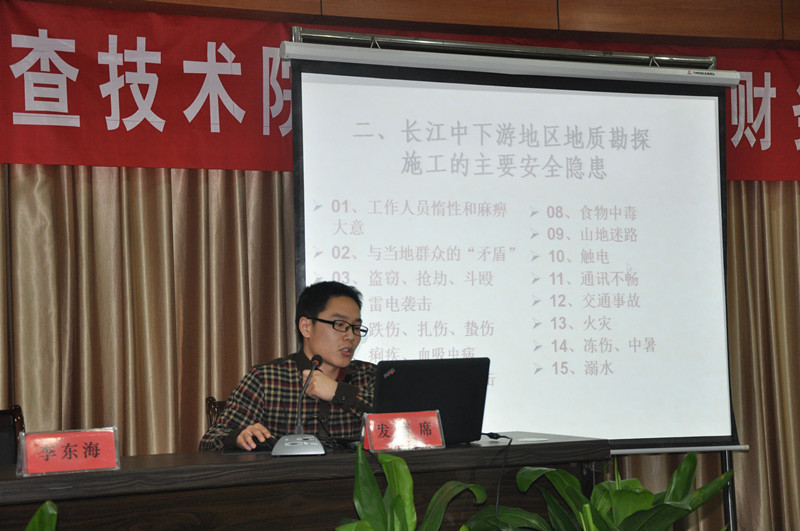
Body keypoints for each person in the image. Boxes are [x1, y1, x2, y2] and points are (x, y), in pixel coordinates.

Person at [199, 281, 375, 451]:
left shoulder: (369, 376)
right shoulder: (266, 378)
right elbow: (210, 441)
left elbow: (392, 418)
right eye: (340, 325)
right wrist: (238, 437)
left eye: (356, 327)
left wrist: (339, 391)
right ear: (306, 327)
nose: (351, 336)